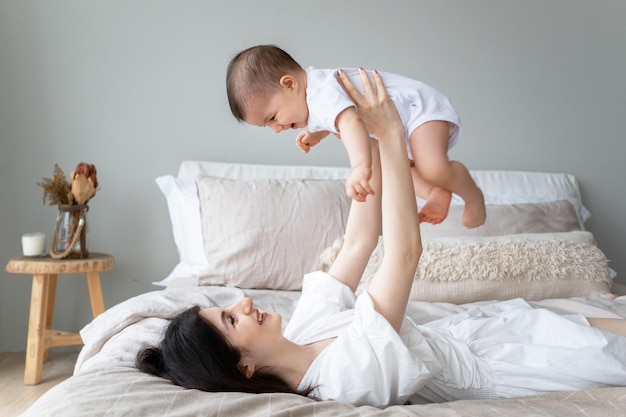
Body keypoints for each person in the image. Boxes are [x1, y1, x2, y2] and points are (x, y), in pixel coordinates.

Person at [137, 69, 626, 408]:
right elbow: (404, 255)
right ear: (243, 367)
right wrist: (391, 135)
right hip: (515, 364)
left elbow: (357, 243)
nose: (243, 303)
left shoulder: (304, 328)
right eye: (230, 319)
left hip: (484, 330)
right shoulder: (344, 378)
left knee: (593, 318)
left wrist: (364, 159)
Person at [226, 44, 486, 228]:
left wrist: (360, 167)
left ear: (289, 84)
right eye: (267, 126)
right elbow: (339, 117)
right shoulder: (316, 98)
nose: (276, 128)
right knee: (398, 166)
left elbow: (349, 121)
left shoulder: (320, 92)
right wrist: (318, 133)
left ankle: (472, 195)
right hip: (397, 124)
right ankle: (436, 192)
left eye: (272, 117)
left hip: (418, 110)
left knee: (432, 166)